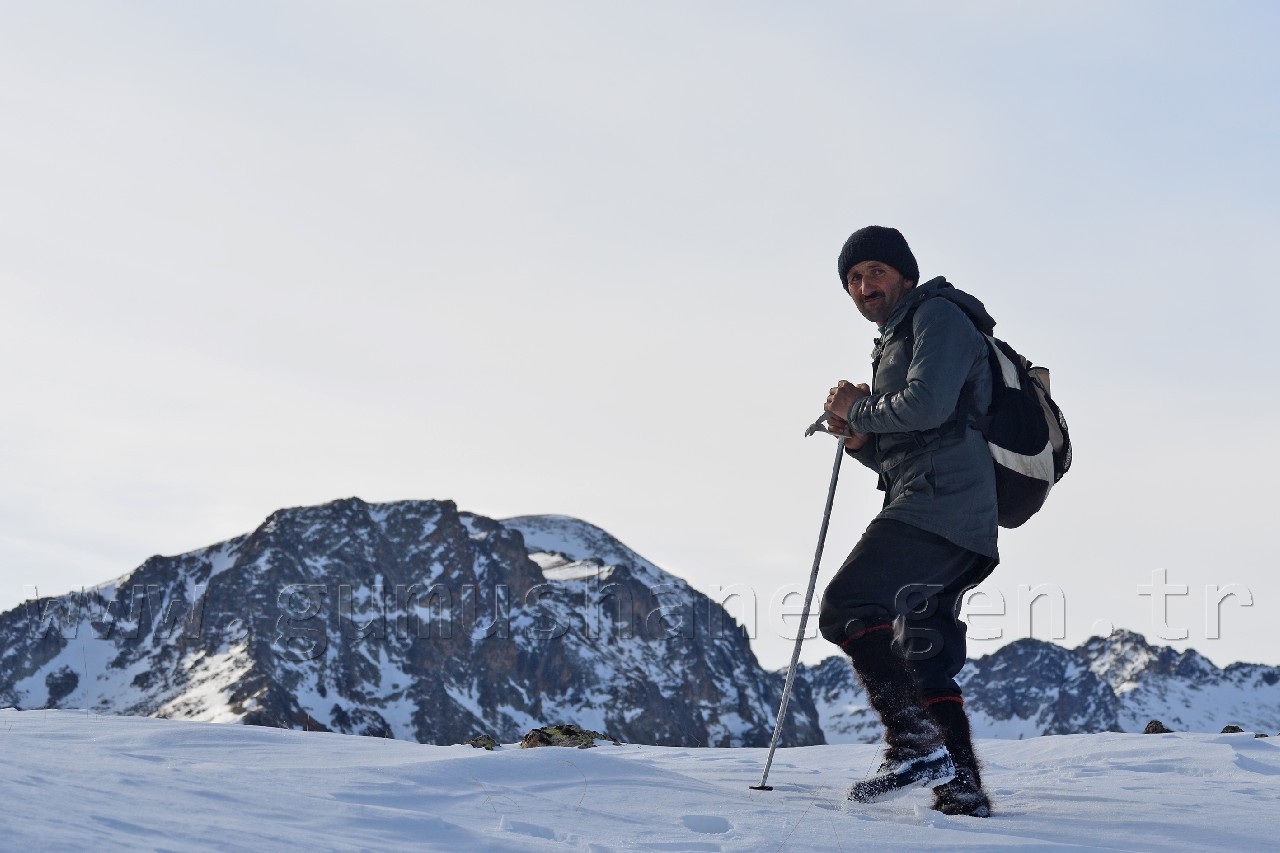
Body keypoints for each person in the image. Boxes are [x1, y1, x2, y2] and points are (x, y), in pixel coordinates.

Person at [819, 225, 997, 817]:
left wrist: (858, 409)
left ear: (906, 276)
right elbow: (918, 439)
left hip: (940, 504)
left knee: (848, 604)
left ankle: (915, 744)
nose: (864, 285)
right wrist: (862, 440)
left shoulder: (936, 314)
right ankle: (961, 789)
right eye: (853, 278)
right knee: (923, 652)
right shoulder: (901, 335)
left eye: (876, 271)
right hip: (952, 509)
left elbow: (927, 405)